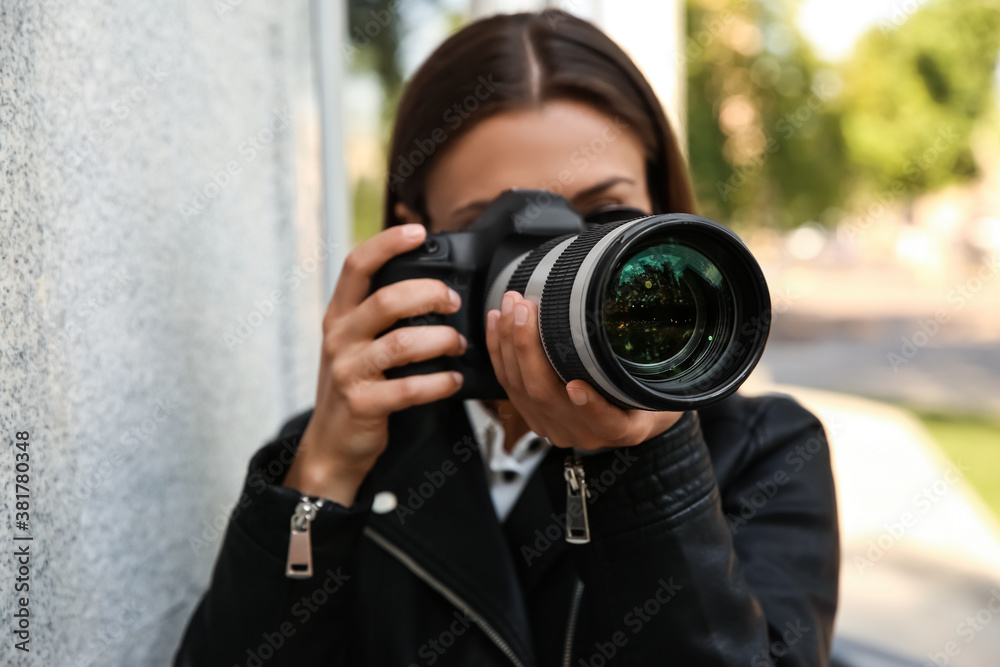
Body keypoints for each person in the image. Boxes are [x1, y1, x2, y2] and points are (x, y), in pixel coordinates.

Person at [174, 9, 839, 666]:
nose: (565, 258)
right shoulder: (349, 456)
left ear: (663, 213)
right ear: (420, 242)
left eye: (606, 216)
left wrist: (643, 470)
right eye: (496, 223)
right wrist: (322, 478)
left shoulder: (761, 452)